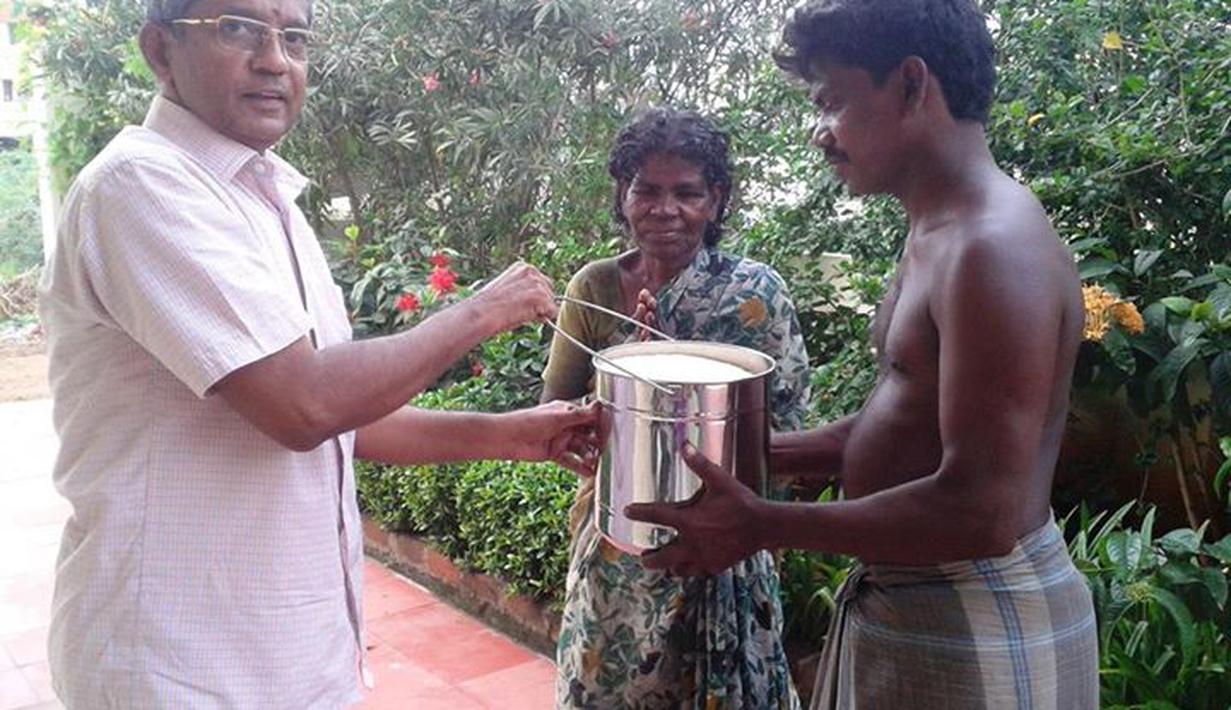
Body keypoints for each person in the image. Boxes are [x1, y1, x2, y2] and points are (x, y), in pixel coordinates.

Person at [37, 0, 596, 707]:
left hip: (293, 656)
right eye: (238, 28)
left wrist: (512, 436)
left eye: (294, 37)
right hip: (181, 665)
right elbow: (305, 404)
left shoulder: (267, 200)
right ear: (160, 50)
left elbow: (341, 417)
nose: (274, 60)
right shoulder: (140, 184)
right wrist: (482, 311)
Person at [626, 1, 1100, 708]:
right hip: (921, 606)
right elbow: (900, 419)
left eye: (831, 102)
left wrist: (761, 524)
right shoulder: (937, 229)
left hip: (974, 613)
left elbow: (983, 511)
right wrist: (721, 452)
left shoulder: (989, 247)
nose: (819, 133)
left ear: (911, 84)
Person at [542, 107, 812, 709]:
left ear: (715, 200)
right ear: (624, 194)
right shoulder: (594, 288)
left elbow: (786, 425)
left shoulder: (755, 295)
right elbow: (554, 412)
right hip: (620, 545)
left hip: (724, 547)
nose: (665, 209)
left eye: (687, 193)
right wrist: (630, 383)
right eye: (647, 190)